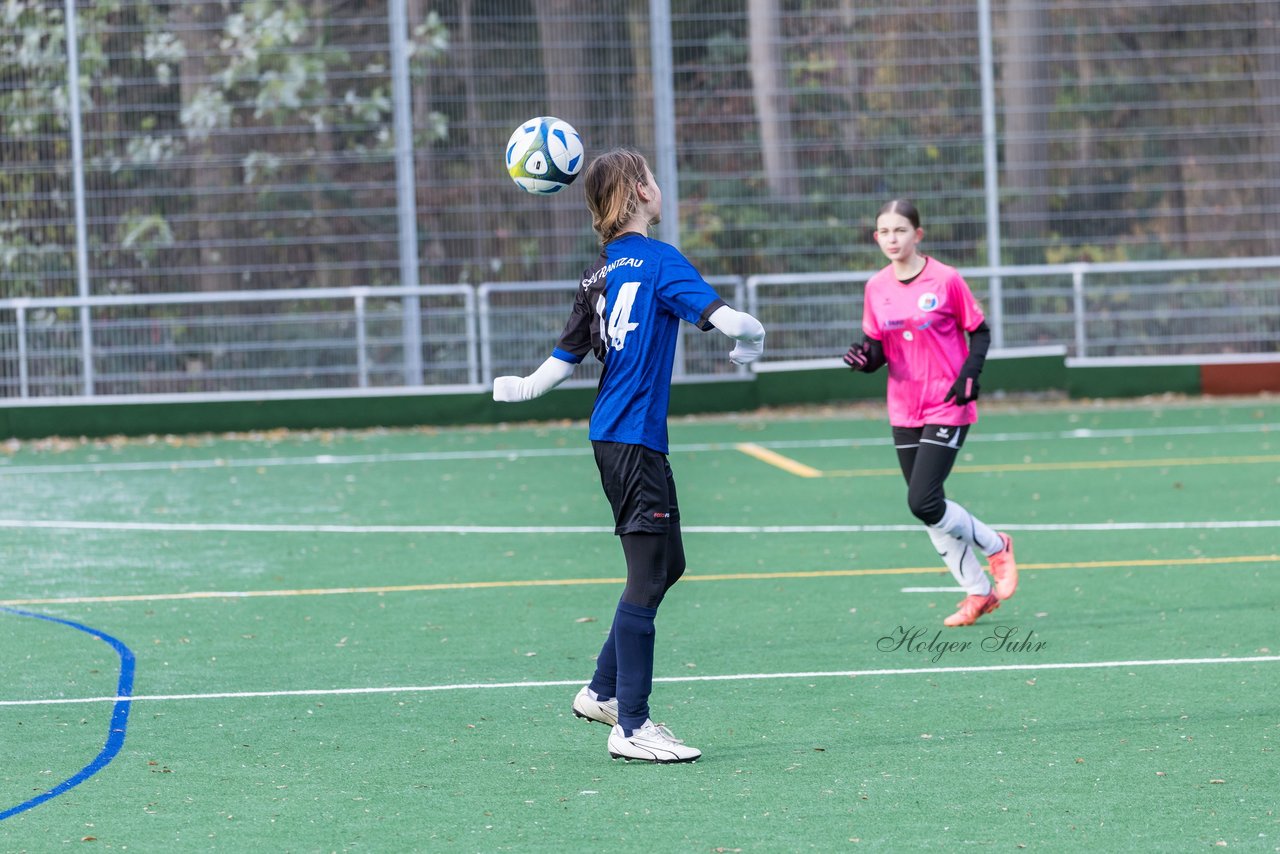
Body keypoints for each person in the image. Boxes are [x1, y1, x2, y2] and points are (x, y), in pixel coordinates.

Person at [492, 148, 766, 763]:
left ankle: (601, 690)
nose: (661, 186)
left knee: (668, 565)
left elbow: (559, 365)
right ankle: (631, 726)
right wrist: (755, 340)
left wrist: (515, 387)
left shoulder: (600, 272)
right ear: (640, 193)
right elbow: (735, 324)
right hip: (633, 439)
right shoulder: (661, 262)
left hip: (615, 437)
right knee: (646, 577)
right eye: (654, 178)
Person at [843, 199, 1018, 627]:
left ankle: (996, 546)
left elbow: (979, 332)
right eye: (884, 232)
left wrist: (970, 375)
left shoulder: (947, 279)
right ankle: (978, 593)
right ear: (876, 237)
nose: (892, 239)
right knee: (928, 506)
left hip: (948, 402)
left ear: (917, 235)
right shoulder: (876, 287)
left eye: (900, 231)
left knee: (921, 498)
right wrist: (865, 360)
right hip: (903, 405)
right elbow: (879, 349)